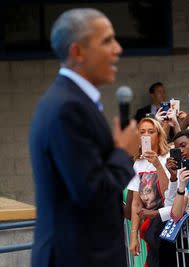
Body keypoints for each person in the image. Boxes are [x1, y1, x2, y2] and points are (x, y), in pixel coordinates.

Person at [29, 8, 140, 267]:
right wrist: (123, 153)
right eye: (107, 41)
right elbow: (92, 192)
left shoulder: (72, 102)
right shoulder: (67, 108)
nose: (118, 49)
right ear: (77, 52)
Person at [126, 116, 174, 267]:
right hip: (149, 226)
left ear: (159, 135)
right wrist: (134, 236)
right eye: (142, 132)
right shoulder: (138, 164)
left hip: (168, 222)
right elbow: (135, 203)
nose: (146, 135)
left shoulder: (169, 157)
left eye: (151, 131)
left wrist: (158, 165)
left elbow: (168, 192)